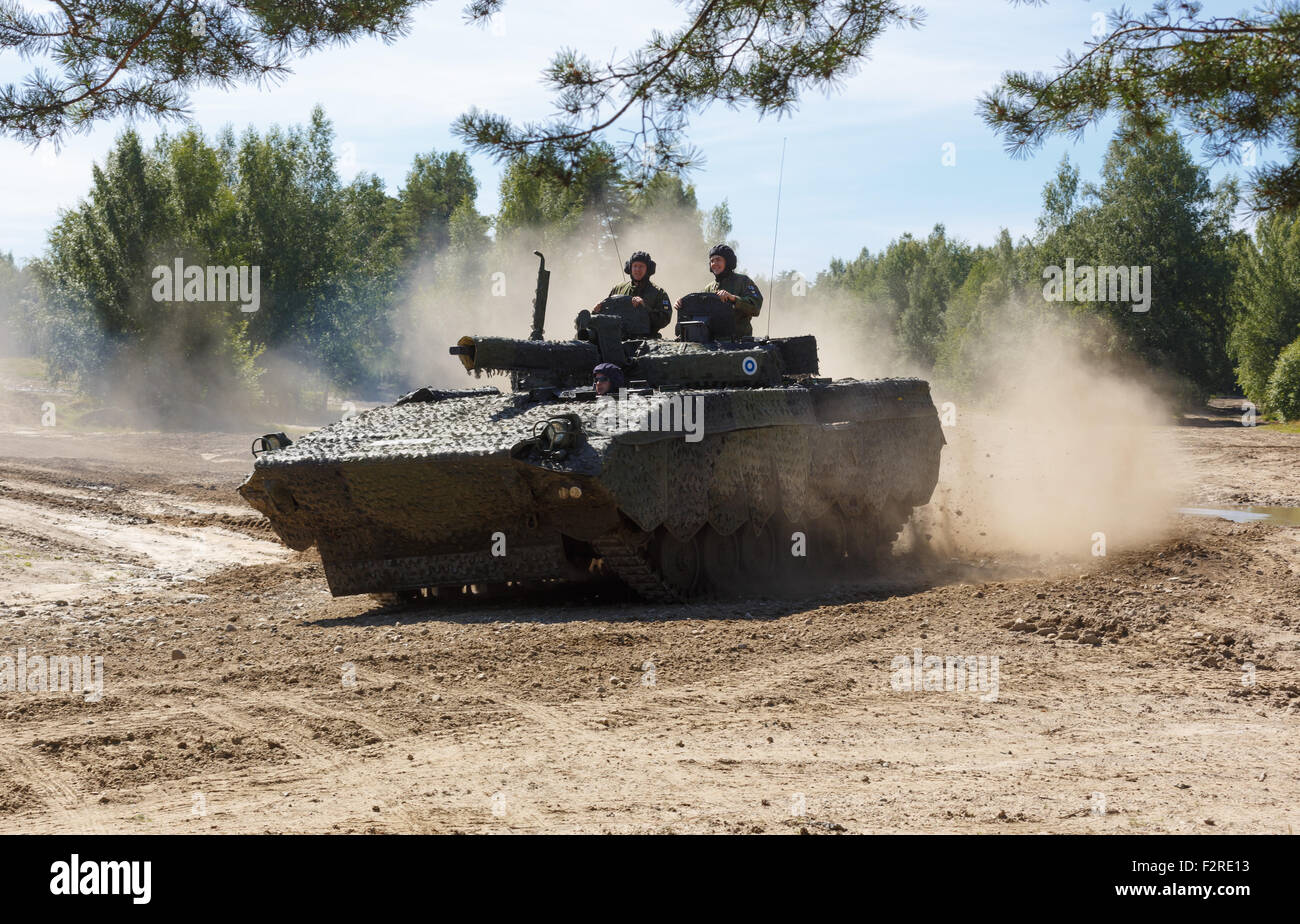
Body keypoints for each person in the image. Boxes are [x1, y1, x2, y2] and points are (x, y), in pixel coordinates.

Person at [676, 243, 763, 337]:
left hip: (738, 342)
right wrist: (683, 305)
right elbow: (700, 314)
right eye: (712, 261)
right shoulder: (709, 288)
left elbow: (755, 307)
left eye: (718, 260)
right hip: (713, 343)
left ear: (728, 262)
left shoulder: (743, 281)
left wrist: (733, 299)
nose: (714, 264)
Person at [593, 251, 672, 333]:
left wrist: (644, 308)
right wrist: (597, 311)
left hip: (646, 339)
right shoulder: (618, 289)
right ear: (630, 268)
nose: (637, 269)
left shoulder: (658, 293)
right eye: (635, 266)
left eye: (641, 266)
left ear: (648, 269)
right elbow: (607, 314)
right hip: (617, 338)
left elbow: (664, 319)